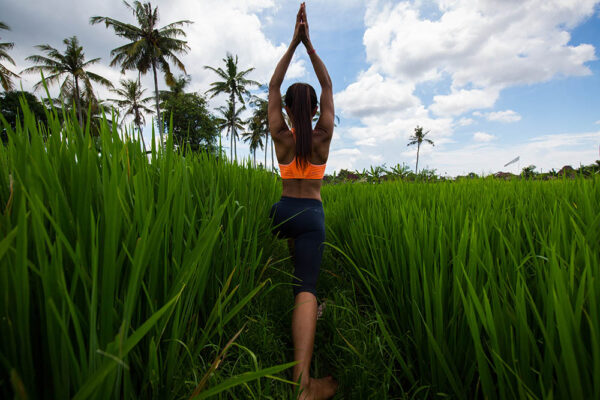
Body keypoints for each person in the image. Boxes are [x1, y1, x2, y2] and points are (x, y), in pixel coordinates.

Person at [267, 3, 338, 400]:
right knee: (306, 288)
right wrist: (309, 46)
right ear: (312, 110)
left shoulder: (281, 136)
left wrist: (292, 44)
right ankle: (303, 384)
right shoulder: (323, 136)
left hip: (281, 213)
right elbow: (327, 87)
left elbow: (273, 87)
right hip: (310, 215)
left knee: (291, 240)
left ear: (288, 110)